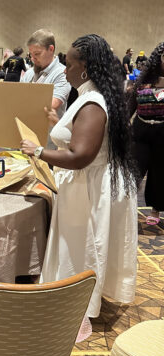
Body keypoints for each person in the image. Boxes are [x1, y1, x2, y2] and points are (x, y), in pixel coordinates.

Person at [20, 34, 138, 318]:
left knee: (85, 246)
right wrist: (56, 122)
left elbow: (80, 156)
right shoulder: (90, 95)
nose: (65, 69)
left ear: (84, 67)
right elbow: (78, 135)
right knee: (85, 245)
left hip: (90, 186)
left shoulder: (92, 102)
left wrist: (38, 152)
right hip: (90, 183)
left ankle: (81, 302)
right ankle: (78, 296)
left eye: (69, 63)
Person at [129, 42, 164, 225]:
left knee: (159, 172)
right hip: (140, 130)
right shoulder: (143, 80)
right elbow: (130, 105)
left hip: (163, 133)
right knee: (133, 170)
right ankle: (125, 206)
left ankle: (156, 210)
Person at [21, 29, 71, 148]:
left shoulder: (61, 73)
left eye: (37, 54)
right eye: (31, 55)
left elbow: (50, 106)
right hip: (26, 140)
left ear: (51, 49)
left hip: (49, 145)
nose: (33, 59)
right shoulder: (29, 74)